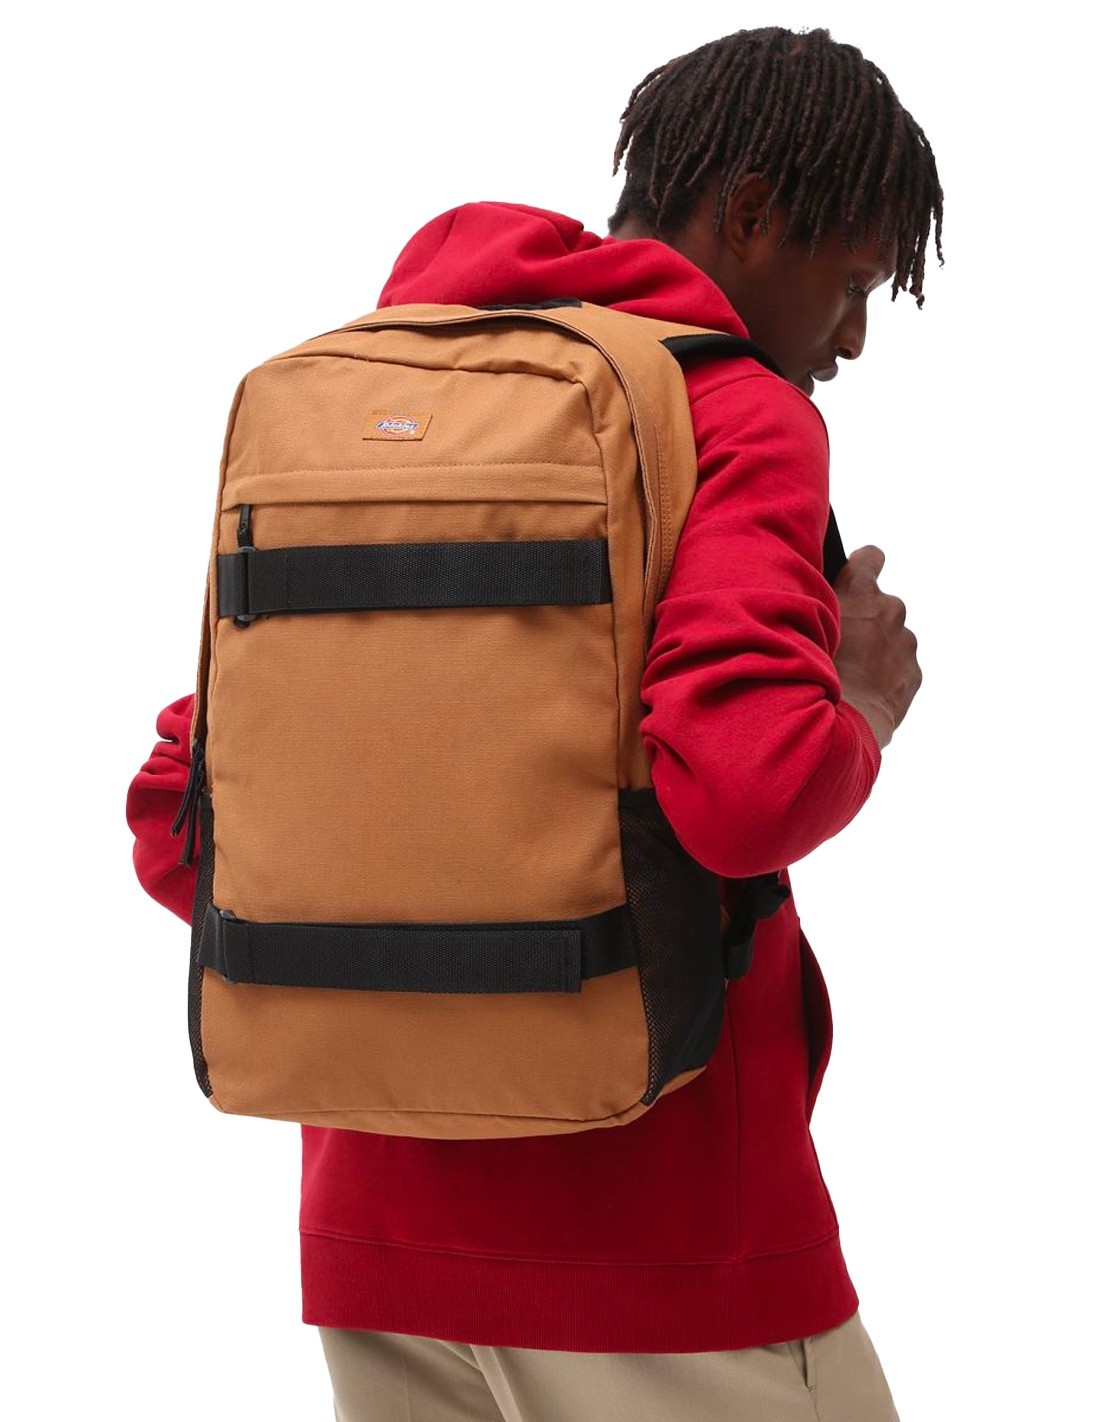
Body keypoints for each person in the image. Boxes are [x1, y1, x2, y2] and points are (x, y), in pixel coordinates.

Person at [126, 24, 943, 1422]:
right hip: (669, 1247)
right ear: (751, 210)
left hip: (377, 1250)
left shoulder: (358, 397)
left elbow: (178, 827)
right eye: (857, 280)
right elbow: (746, 790)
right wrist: (858, 697)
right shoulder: (733, 408)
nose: (856, 336)